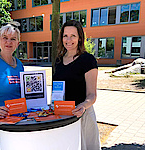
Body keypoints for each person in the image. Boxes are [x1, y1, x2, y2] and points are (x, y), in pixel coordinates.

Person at [52, 20, 101, 150]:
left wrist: (83, 106)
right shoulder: (58, 60)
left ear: (80, 38)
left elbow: (92, 95)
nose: (69, 39)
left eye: (73, 35)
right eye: (65, 36)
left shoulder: (88, 60)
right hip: (63, 116)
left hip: (82, 115)